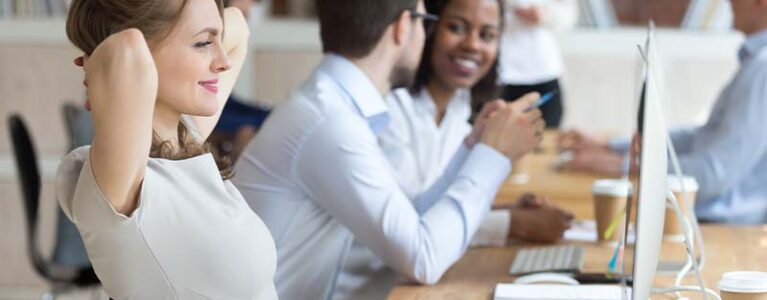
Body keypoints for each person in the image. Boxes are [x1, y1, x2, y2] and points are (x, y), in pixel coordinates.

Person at [232, 0, 545, 298]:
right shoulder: (333, 124)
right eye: (427, 22)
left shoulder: (331, 107)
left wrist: (474, 147)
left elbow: (411, 218)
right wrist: (494, 155)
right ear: (403, 26)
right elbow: (424, 259)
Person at [55, 0, 277, 298]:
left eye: (216, 39)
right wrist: (104, 65)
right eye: (202, 43)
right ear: (144, 59)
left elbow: (238, 25)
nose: (223, 61)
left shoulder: (187, 139)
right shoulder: (123, 185)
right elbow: (128, 44)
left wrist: (202, 28)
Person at [558, 0, 767, 224]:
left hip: (725, 230)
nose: (730, 2)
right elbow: (704, 136)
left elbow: (713, 174)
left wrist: (625, 165)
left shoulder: (762, 68)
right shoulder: (756, 63)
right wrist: (613, 144)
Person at [497, 0, 578, 128]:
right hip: (499, 72)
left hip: (542, 71)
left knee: (546, 137)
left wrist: (545, 15)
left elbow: (569, 15)